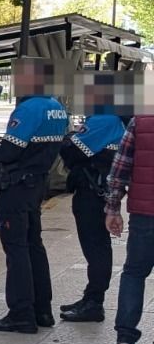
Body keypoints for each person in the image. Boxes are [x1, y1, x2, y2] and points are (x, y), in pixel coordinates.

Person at [0, 57, 69, 333]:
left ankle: (21, 313)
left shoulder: (29, 108)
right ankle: (42, 310)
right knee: (35, 245)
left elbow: (11, 149)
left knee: (16, 249)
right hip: (37, 185)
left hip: (16, 187)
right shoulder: (58, 107)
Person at [58, 77, 125, 323]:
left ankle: (94, 302)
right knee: (96, 246)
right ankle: (90, 298)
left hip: (92, 191)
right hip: (96, 189)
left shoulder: (104, 119)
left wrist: (69, 140)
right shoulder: (112, 117)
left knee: (95, 247)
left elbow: (72, 150)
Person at [105, 109, 154, 344]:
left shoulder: (141, 121)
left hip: (145, 215)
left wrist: (113, 209)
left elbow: (119, 169)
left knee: (134, 272)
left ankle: (125, 338)